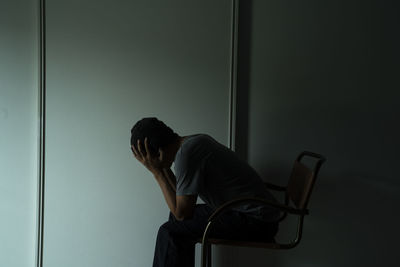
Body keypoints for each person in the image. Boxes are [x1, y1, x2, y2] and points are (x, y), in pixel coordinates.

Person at [130, 117, 280, 267]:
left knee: (169, 232)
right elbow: (180, 200)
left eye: (149, 159)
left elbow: (183, 214)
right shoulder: (191, 142)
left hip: (257, 221)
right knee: (174, 221)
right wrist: (162, 168)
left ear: (158, 151)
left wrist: (157, 173)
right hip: (243, 211)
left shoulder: (186, 155)